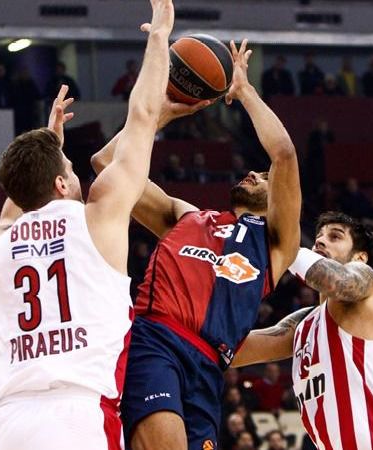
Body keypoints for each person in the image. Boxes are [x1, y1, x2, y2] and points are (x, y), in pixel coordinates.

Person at [0, 1, 178, 448]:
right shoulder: (97, 218)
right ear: (60, 183)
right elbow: (143, 117)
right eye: (69, 169)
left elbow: (15, 204)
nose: (77, 176)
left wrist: (49, 145)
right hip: (77, 415)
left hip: (6, 422)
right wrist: (159, 35)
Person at [90, 37, 300, 450]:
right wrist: (157, 117)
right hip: (157, 341)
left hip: (208, 364)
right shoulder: (187, 216)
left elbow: (284, 154)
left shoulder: (276, 245)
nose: (253, 175)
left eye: (263, 178)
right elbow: (105, 164)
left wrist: (244, 91)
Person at [232, 211, 373, 449]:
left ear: (360, 257)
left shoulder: (369, 284)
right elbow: (232, 352)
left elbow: (336, 282)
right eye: (319, 236)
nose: (320, 240)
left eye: (335, 237)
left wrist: (285, 245)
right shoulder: (302, 324)